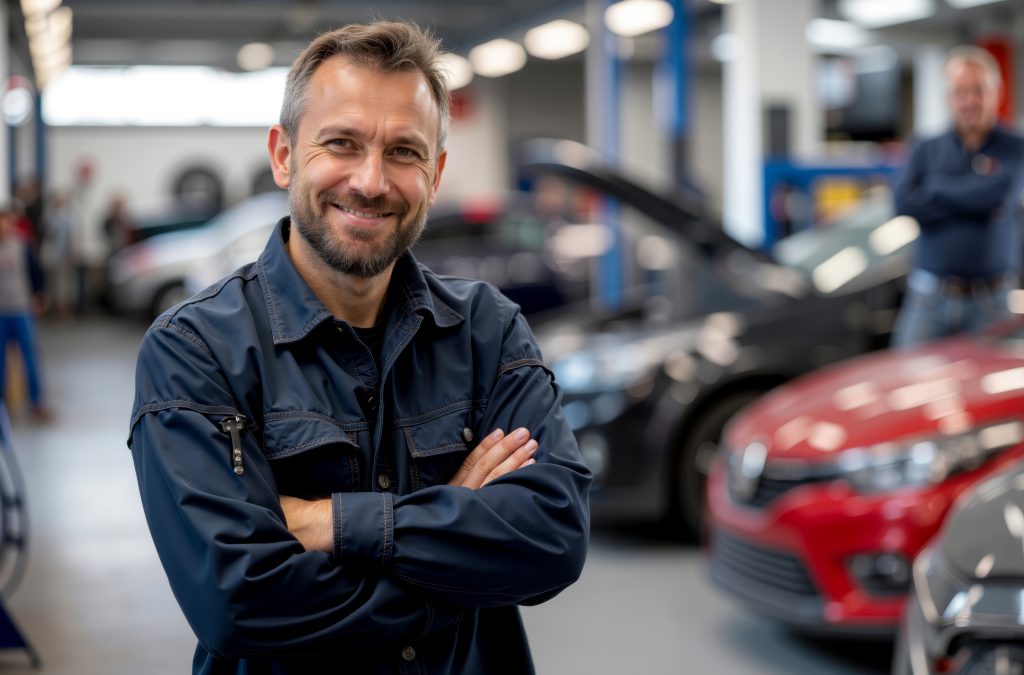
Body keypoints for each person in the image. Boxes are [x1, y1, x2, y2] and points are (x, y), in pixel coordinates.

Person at [128, 20, 591, 675]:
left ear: (435, 173)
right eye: (342, 143)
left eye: (404, 151)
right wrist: (456, 531)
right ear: (284, 154)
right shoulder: (195, 350)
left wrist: (334, 524)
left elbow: (554, 539)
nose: (371, 181)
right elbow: (238, 601)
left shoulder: (489, 331)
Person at [893, 45, 1024, 348]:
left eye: (978, 90)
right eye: (960, 92)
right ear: (948, 98)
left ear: (997, 92)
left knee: (990, 392)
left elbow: (999, 194)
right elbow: (902, 202)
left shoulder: (1015, 147)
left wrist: (936, 188)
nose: (969, 101)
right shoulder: (925, 147)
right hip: (928, 299)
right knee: (908, 384)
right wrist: (974, 197)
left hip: (992, 303)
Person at [0, 207, 50, 421]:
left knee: (30, 358)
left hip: (22, 310)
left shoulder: (23, 245)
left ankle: (37, 403)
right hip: (1, 312)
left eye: (7, 222)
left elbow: (35, 272)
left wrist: (39, 295)